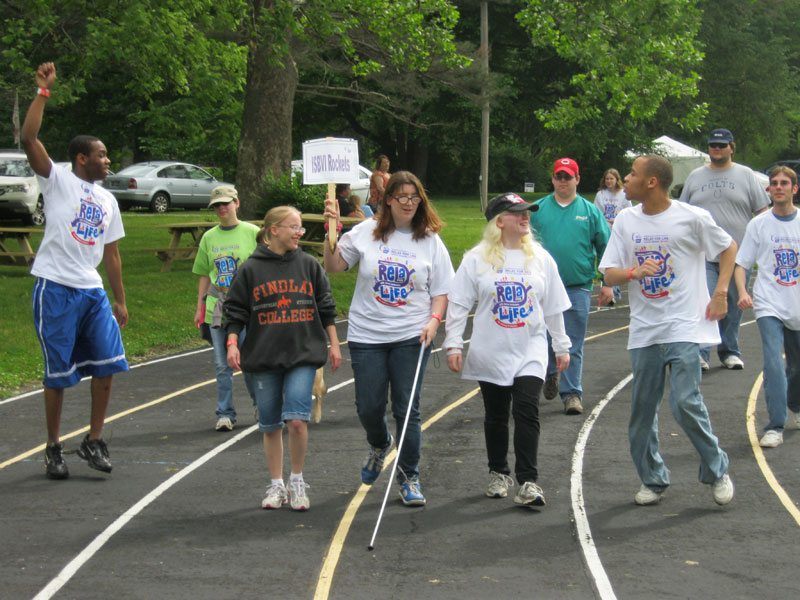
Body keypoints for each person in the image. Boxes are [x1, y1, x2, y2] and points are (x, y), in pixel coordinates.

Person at [599, 154, 736, 506]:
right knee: (642, 412)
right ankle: (653, 479)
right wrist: (633, 273)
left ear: (651, 183)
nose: (625, 179)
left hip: (685, 324)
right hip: (646, 329)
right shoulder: (626, 221)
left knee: (685, 401)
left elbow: (728, 247)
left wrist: (721, 292)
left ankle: (716, 468)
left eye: (632, 173)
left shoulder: (692, 218)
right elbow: (609, 273)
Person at [21, 62, 128, 479]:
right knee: (59, 374)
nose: (107, 160)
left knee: (108, 365)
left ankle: (94, 439)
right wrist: (42, 92)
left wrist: (119, 298)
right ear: (81, 158)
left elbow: (113, 254)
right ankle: (53, 446)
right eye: (101, 154)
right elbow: (29, 138)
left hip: (91, 290)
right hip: (55, 286)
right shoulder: (58, 180)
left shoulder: (109, 201)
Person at [323, 170, 454, 506]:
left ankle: (409, 475)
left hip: (412, 335)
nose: (408, 203)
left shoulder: (430, 241)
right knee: (368, 406)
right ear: (388, 200)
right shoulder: (366, 232)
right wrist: (330, 232)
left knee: (407, 408)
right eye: (401, 197)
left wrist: (434, 322)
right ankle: (380, 443)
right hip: (367, 334)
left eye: (414, 197)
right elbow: (335, 267)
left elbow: (441, 292)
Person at [444, 193, 571, 508]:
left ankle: (528, 480)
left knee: (527, 409)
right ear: (499, 221)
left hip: (531, 346)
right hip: (491, 348)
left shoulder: (541, 258)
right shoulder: (477, 258)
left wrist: (561, 344)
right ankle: (498, 472)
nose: (526, 217)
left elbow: (554, 306)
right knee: (497, 414)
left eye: (527, 212)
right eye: (518, 213)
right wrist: (453, 343)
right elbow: (458, 303)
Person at [224, 206, 342, 511]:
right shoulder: (250, 269)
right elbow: (235, 310)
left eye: (300, 227)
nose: (299, 233)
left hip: (303, 354)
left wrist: (334, 344)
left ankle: (297, 480)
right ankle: (276, 484)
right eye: (293, 227)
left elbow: (326, 306)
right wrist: (233, 343)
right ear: (273, 230)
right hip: (264, 355)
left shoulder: (309, 265)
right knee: (270, 424)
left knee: (297, 421)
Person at [680, 128, 770, 371]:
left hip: (739, 254)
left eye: (721, 145)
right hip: (704, 254)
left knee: (732, 302)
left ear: (732, 147)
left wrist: (760, 243)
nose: (716, 149)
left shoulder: (746, 175)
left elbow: (762, 211)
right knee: (707, 299)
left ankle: (729, 350)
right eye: (712, 145)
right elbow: (682, 211)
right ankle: (701, 352)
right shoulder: (695, 176)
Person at [530, 158, 612, 415]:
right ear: (553, 179)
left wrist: (607, 283)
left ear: (577, 179)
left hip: (577, 286)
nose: (563, 181)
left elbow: (606, 248)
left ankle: (572, 393)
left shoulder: (589, 211)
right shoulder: (538, 208)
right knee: (540, 338)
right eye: (559, 176)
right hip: (541, 288)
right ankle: (550, 370)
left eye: (568, 176)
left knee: (574, 342)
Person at [735, 166, 800, 448]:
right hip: (768, 302)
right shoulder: (758, 225)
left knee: (796, 368)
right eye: (774, 183)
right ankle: (775, 425)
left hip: (796, 304)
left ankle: (795, 405)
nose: (778, 187)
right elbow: (742, 264)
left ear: (794, 189)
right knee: (774, 362)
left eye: (784, 183)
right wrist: (742, 291)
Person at [192, 185, 260, 431]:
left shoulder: (253, 233)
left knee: (250, 361)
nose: (222, 208)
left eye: (226, 203)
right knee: (222, 364)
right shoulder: (209, 238)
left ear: (236, 203)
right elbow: (204, 274)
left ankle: (260, 406)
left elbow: (264, 267)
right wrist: (200, 306)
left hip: (247, 309)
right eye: (217, 206)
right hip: (217, 309)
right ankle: (225, 413)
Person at [594, 168, 632, 303]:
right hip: (605, 231)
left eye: (612, 179)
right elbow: (596, 213)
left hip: (618, 231)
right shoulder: (600, 195)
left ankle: (614, 291)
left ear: (617, 180)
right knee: (607, 261)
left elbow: (629, 212)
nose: (609, 181)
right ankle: (612, 291)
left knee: (617, 262)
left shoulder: (623, 194)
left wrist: (617, 221)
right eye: (607, 179)